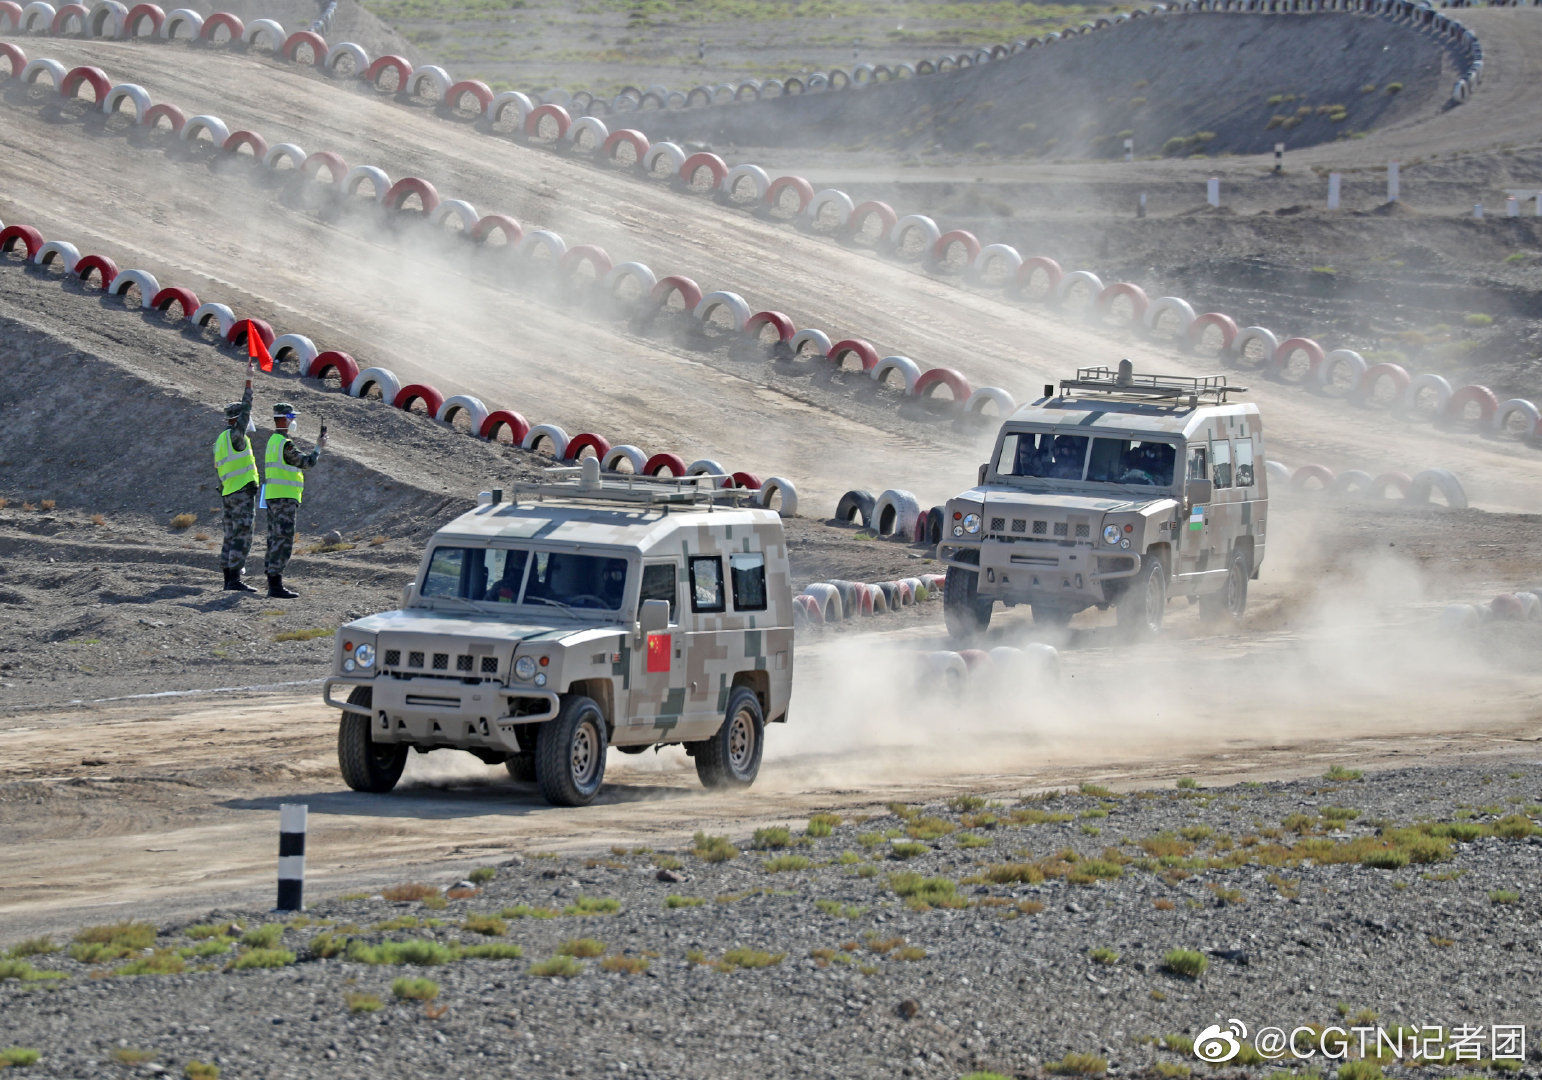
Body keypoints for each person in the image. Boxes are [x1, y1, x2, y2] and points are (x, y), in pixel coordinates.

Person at [262, 402, 325, 599]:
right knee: (283, 540)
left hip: (273, 496)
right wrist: (318, 447)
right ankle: (275, 586)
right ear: (282, 419)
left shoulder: (273, 441)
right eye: (291, 417)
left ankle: (273, 583)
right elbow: (307, 462)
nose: (293, 421)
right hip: (284, 499)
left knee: (274, 539)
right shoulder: (284, 443)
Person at [213, 357, 260, 593]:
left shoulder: (220, 441)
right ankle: (234, 580)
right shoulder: (235, 436)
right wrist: (249, 380)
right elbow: (247, 408)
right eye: (243, 418)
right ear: (237, 419)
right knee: (243, 536)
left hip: (229, 493)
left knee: (230, 536)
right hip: (241, 493)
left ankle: (228, 580)